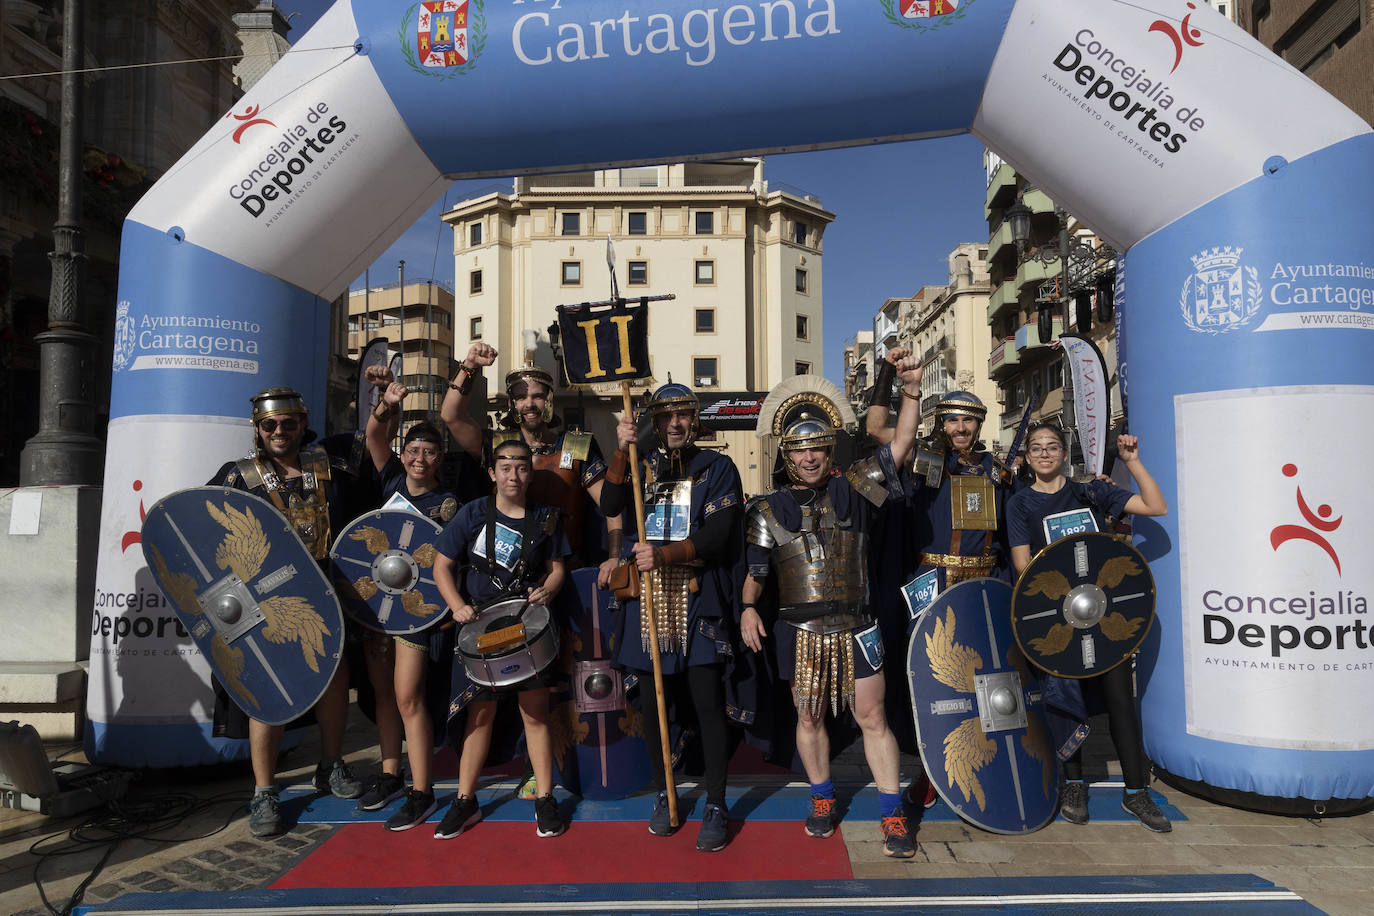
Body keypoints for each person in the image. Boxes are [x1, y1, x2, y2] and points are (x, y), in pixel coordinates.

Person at [739, 407, 915, 858]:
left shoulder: (855, 490)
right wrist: (746, 608)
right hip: (800, 628)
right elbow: (757, 572)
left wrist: (911, 390)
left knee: (873, 717)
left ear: (829, 450)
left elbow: (900, 446)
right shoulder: (765, 508)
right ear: (787, 456)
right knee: (809, 717)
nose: (810, 457)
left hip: (858, 622)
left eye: (817, 448)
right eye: (800, 450)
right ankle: (821, 797)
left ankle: (892, 811)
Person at [208, 387, 372, 837]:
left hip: (324, 591)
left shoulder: (330, 468)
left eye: (288, 423)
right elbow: (205, 535)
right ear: (258, 429)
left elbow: (364, 512)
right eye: (270, 425)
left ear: (303, 424)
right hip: (265, 598)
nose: (279, 432)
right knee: (270, 688)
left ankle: (331, 765)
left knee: (335, 679)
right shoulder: (237, 477)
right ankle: (264, 790)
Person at [600, 383, 745, 853]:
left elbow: (721, 532)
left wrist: (663, 555)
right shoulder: (642, 464)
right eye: (666, 417)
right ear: (656, 423)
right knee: (651, 704)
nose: (675, 424)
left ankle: (718, 803)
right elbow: (610, 505)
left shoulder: (717, 466)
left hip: (695, 593)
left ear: (695, 421)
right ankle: (666, 793)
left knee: (706, 701)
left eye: (683, 416)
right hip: (647, 599)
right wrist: (622, 450)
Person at [1006, 423, 1171, 832]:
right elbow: (1024, 566)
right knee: (1065, 697)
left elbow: (1155, 507)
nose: (1044, 454)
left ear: (1064, 453)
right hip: (1058, 619)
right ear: (1027, 458)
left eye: (1052, 448)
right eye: (1037, 449)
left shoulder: (1090, 491)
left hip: (1104, 615)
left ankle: (1136, 792)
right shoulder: (1020, 503)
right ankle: (1074, 784)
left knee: (1119, 700)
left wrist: (1132, 462)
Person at [431, 437, 570, 840]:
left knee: (535, 714)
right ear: (492, 473)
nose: (514, 475)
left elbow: (557, 568)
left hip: (527, 627)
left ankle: (545, 798)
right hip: (481, 629)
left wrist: (550, 588)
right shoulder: (473, 513)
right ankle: (465, 799)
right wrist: (456, 605)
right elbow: (442, 566)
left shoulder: (545, 518)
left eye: (522, 467)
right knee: (480, 716)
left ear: (530, 472)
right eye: (505, 467)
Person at [353, 372, 460, 831]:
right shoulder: (390, 479)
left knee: (407, 696)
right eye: (413, 450)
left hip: (415, 612)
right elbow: (374, 433)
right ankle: (391, 773)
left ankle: (423, 790)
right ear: (403, 454)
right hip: (376, 605)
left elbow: (450, 563)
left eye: (429, 452)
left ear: (439, 459)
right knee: (383, 695)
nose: (420, 457)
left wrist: (443, 610)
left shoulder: (447, 503)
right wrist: (386, 403)